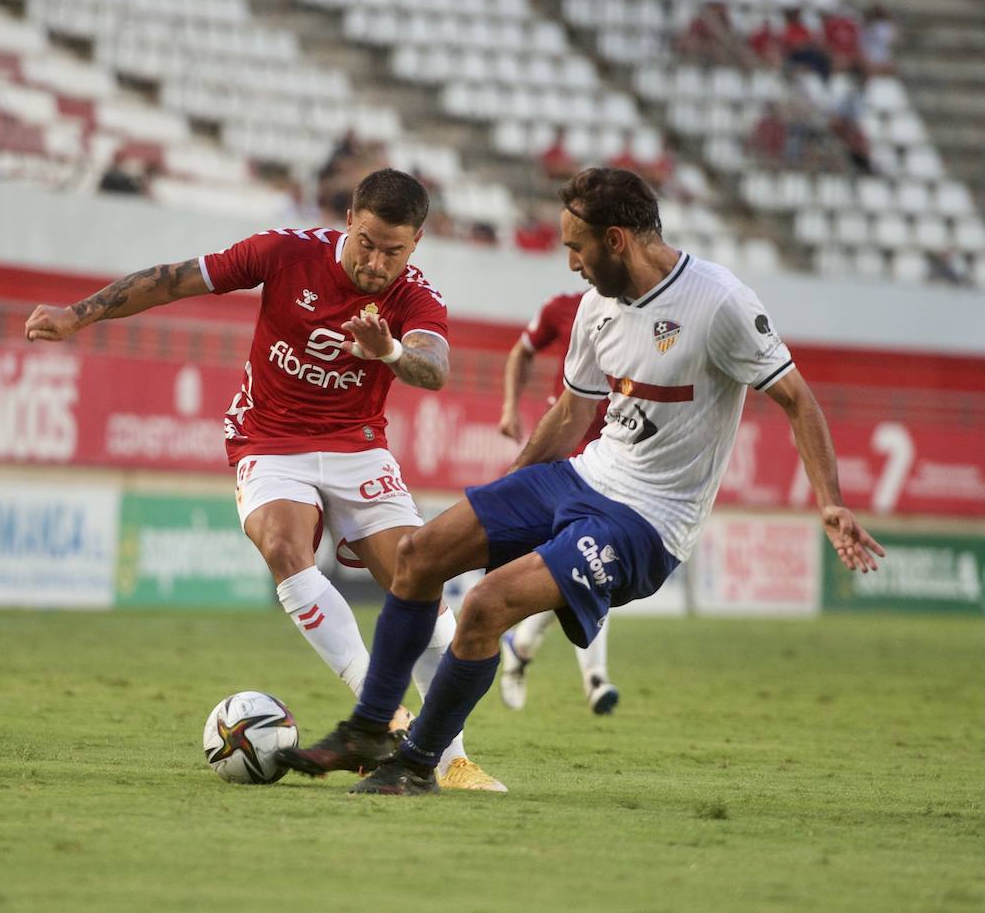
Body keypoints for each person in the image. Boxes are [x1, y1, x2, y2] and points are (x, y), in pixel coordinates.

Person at [279, 167, 884, 794]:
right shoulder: (597, 309)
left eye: (576, 246)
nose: (570, 263)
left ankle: (417, 764)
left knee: (486, 607)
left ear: (616, 239)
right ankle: (369, 727)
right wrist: (501, 498)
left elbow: (798, 400)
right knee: (420, 553)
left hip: (647, 522)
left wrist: (831, 503)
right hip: (583, 475)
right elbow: (571, 414)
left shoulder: (719, 302)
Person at [24, 168, 504, 791]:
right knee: (283, 545)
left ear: (415, 245)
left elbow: (434, 368)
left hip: (359, 449)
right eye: (366, 242)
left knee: (423, 590)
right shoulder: (286, 252)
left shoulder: (415, 295)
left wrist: (386, 352)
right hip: (270, 440)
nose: (377, 262)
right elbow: (174, 280)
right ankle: (378, 706)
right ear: (349, 221)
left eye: (395, 250)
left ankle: (450, 757)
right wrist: (77, 315)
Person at [495, 290, 616, 715]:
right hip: (562, 456)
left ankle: (522, 645)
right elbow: (521, 352)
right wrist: (511, 408)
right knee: (589, 563)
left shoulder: (648, 314)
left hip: (612, 460)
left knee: (584, 566)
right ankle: (594, 679)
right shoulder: (565, 306)